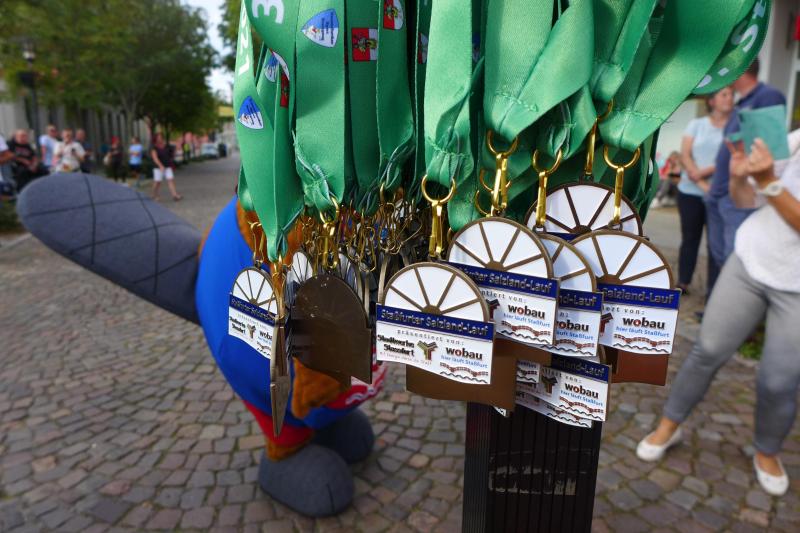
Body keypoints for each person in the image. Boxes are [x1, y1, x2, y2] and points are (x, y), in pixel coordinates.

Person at [637, 134, 800, 497]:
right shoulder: (795, 140)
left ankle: (767, 451)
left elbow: (772, 191)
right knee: (707, 349)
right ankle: (669, 425)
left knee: (780, 381)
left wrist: (768, 182)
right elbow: (747, 200)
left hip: (797, 287)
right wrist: (742, 178)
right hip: (752, 259)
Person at [705, 59, 785, 294]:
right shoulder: (741, 103)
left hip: (738, 195)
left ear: (740, 69)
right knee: (719, 255)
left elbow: (770, 148)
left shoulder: (767, 96)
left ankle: (734, 309)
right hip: (721, 191)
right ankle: (718, 305)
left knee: (734, 259)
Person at [676, 87, 734, 295]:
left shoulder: (734, 128)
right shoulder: (697, 124)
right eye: (724, 94)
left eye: (731, 95)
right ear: (712, 101)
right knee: (690, 238)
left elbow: (732, 158)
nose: (730, 98)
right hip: (689, 192)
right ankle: (683, 282)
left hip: (718, 194)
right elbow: (685, 154)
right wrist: (699, 180)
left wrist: (703, 174)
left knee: (715, 243)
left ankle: (713, 290)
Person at [150, 133, 181, 201]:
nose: (160, 139)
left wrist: (176, 148)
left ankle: (175, 195)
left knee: (170, 180)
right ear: (155, 139)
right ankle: (154, 194)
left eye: (161, 137)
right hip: (158, 168)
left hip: (167, 166)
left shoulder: (166, 146)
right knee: (157, 182)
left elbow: (172, 154)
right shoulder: (154, 148)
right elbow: (155, 158)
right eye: (158, 137)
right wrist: (160, 166)